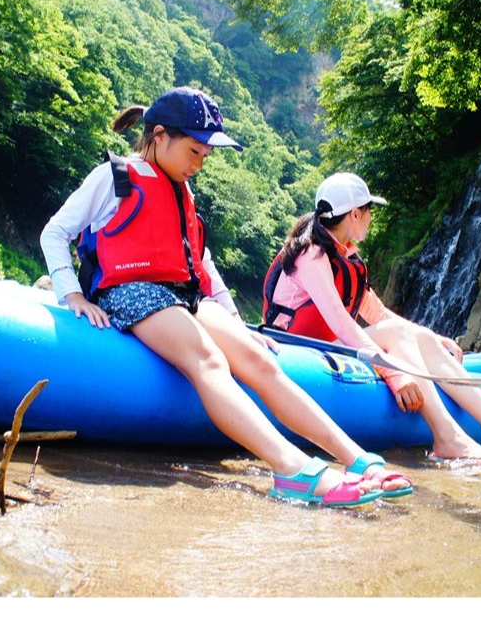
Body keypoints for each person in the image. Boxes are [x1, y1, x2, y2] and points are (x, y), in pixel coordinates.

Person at [41, 87, 413, 506]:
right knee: (209, 360)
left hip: (182, 295)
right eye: (194, 151)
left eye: (205, 155)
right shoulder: (115, 177)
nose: (199, 164)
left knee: (259, 361)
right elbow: (55, 232)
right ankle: (292, 469)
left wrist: (236, 321)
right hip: (131, 292)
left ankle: (356, 458)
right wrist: (73, 294)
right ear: (160, 136)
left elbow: (203, 263)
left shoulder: (183, 193)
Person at [262, 172, 481, 464]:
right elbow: (341, 324)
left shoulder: (345, 257)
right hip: (299, 352)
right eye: (369, 211)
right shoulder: (312, 255)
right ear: (355, 214)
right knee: (395, 332)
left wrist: (432, 338)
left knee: (418, 338)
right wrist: (395, 373)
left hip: (327, 347)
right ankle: (447, 436)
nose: (371, 217)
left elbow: (377, 314)